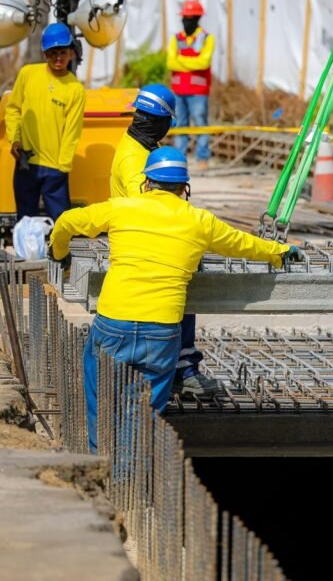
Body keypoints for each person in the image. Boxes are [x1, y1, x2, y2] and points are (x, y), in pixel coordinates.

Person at [48, 146, 304, 452]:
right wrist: (279, 251)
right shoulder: (199, 221)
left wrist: (59, 253)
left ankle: (98, 467)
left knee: (102, 405)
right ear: (184, 188)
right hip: (162, 332)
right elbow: (243, 244)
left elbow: (66, 222)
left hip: (114, 324)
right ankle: (129, 471)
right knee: (141, 416)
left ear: (147, 182)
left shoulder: (121, 208)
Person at [109, 84, 220, 398]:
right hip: (145, 246)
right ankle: (180, 371)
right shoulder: (134, 159)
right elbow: (151, 209)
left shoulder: (141, 146)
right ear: (166, 122)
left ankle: (174, 367)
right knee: (178, 298)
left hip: (145, 239)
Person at [5, 23, 85, 220]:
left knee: (61, 224)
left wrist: (62, 167)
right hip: (26, 163)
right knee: (26, 222)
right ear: (44, 53)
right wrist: (15, 139)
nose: (58, 58)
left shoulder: (75, 89)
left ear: (71, 53)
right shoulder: (28, 74)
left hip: (55, 169)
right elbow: (13, 109)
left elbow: (72, 131)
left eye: (62, 52)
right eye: (52, 53)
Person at [167, 0, 215, 170]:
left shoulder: (207, 38)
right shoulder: (176, 38)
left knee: (200, 123)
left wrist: (181, 60)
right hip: (178, 90)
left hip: (198, 91)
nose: (186, 21)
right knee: (180, 124)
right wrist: (192, 62)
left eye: (190, 18)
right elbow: (171, 63)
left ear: (197, 19)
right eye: (184, 18)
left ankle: (202, 157)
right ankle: (179, 158)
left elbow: (204, 62)